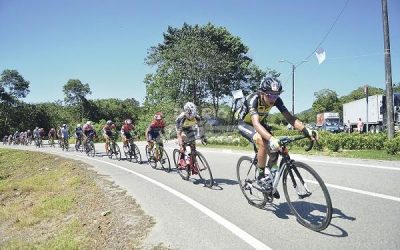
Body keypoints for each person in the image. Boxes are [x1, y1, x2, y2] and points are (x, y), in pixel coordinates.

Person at [236, 77, 318, 197]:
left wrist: (306, 130)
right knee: (262, 141)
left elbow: (290, 118)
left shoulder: (276, 100)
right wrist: (271, 139)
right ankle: (260, 177)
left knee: (280, 148)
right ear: (262, 93)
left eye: (276, 95)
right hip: (245, 124)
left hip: (260, 123)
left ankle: (272, 178)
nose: (273, 99)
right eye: (270, 95)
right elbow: (256, 124)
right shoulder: (253, 99)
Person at [175, 102, 204, 169]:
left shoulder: (197, 117)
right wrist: (181, 144)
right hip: (180, 127)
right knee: (184, 139)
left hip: (189, 127)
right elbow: (179, 134)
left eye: (193, 117)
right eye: (190, 117)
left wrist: (203, 137)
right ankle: (182, 160)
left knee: (193, 145)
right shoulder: (182, 118)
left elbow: (201, 128)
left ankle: (191, 160)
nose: (192, 118)